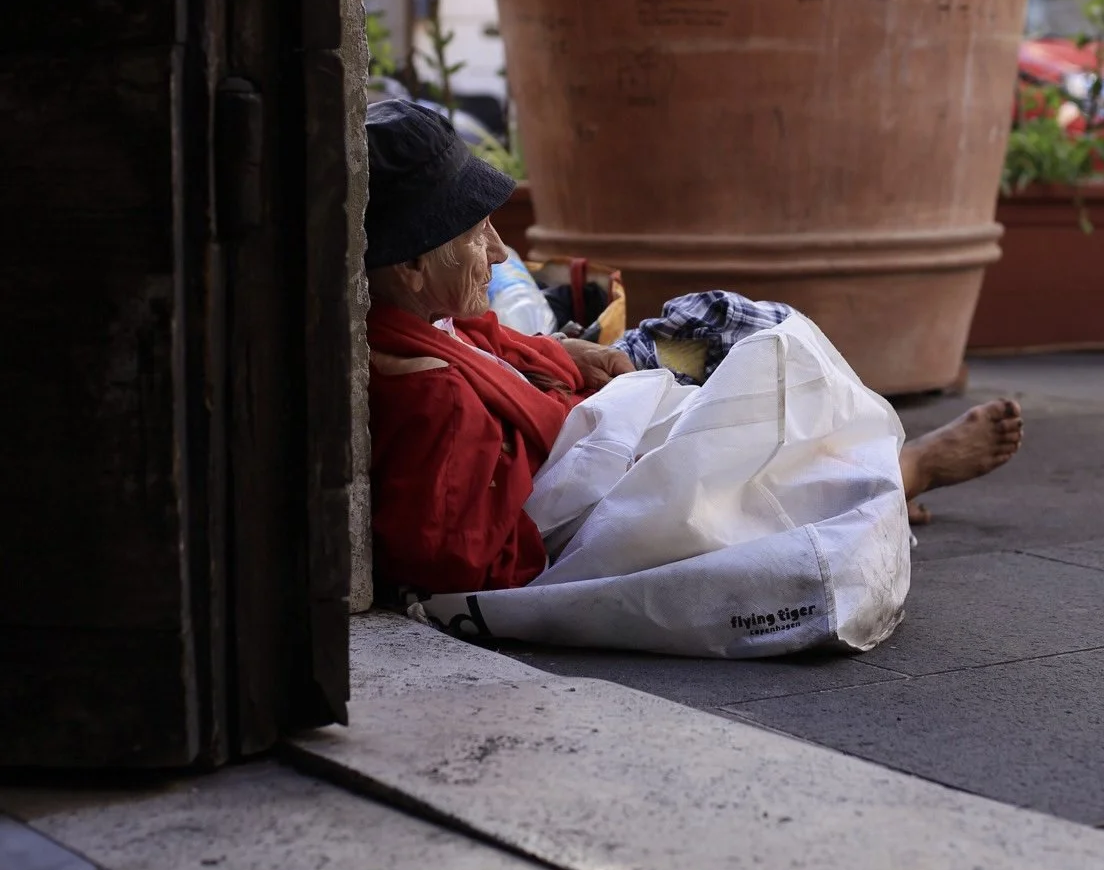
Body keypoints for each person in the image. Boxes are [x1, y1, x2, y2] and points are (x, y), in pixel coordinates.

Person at [365, 100, 1022, 648]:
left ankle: (860, 471)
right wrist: (597, 470)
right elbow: (466, 563)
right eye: (477, 237)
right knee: (742, 484)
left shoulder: (432, 316)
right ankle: (906, 471)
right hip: (600, 471)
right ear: (411, 269)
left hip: (597, 403)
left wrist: (564, 355)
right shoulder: (433, 397)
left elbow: (486, 344)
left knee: (745, 331)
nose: (501, 250)